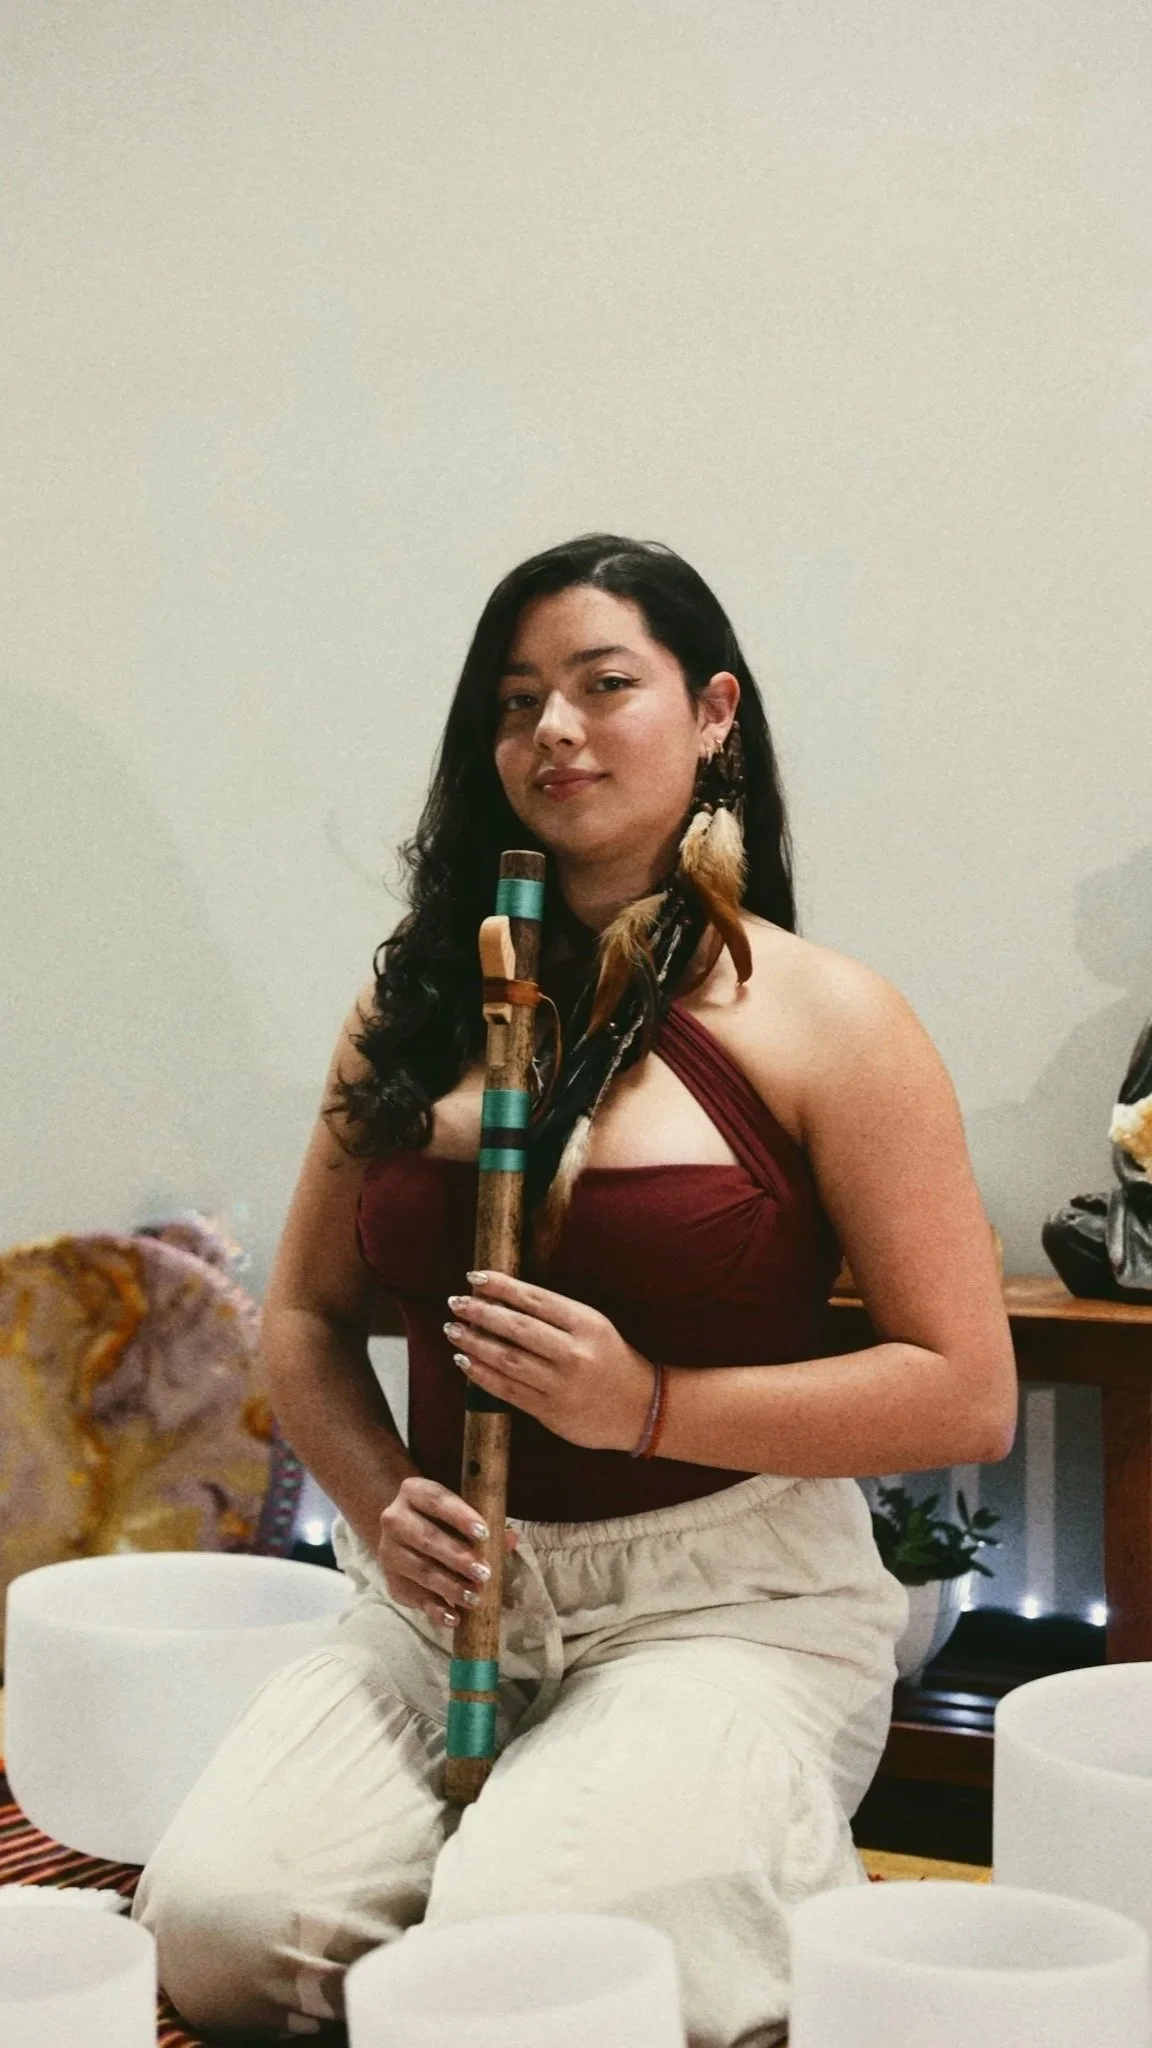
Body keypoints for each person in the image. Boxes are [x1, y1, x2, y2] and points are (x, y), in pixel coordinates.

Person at [132, 532, 1017, 2045]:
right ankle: (543, 1878)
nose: (554, 729)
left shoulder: (832, 1021)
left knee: (539, 1959)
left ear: (715, 713)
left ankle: (686, 1878)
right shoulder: (410, 1002)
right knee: (222, 1933)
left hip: (720, 1602)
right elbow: (304, 1322)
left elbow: (964, 1390)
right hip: (443, 1598)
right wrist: (375, 1503)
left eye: (607, 686)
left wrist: (651, 1404)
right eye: (517, 698)